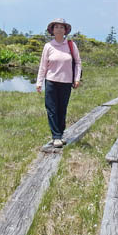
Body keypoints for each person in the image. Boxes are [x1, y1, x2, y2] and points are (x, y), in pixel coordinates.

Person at [36, 18, 82, 148]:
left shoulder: (71, 45)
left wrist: (77, 78)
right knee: (52, 109)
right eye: (56, 27)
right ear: (52, 30)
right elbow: (43, 66)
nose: (59, 29)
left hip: (66, 82)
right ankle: (56, 136)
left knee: (62, 109)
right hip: (51, 81)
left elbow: (78, 62)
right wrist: (39, 82)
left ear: (65, 30)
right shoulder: (48, 46)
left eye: (61, 27)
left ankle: (60, 134)